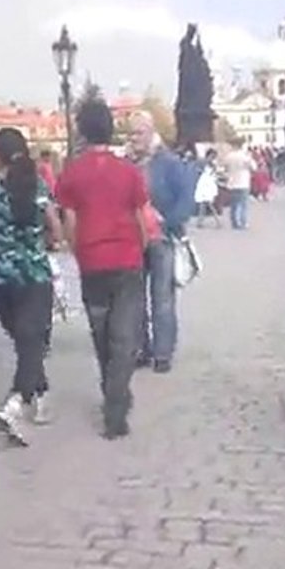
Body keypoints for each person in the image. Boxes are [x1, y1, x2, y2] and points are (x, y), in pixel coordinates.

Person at [57, 98, 149, 439]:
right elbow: (141, 216)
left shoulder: (72, 172)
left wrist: (75, 250)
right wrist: (140, 247)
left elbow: (70, 219)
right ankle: (116, 404)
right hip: (126, 260)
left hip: (92, 262)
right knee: (125, 336)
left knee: (101, 333)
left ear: (82, 130)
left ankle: (111, 390)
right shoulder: (128, 171)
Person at [0, 128, 59, 446]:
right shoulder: (38, 186)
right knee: (31, 341)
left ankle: (38, 395)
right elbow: (54, 226)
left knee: (24, 341)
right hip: (33, 276)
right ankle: (18, 402)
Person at [129, 111, 193, 373]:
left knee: (162, 296)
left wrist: (167, 222)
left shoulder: (168, 162)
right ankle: (141, 347)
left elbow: (186, 198)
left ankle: (163, 351)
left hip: (162, 238)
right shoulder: (128, 163)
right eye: (131, 133)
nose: (134, 138)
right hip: (133, 239)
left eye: (139, 132)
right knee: (134, 298)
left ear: (151, 131)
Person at [223, 139, 254, 230]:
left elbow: (225, 168)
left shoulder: (228, 156)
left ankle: (234, 222)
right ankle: (243, 222)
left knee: (233, 204)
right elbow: (253, 167)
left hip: (232, 182)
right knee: (243, 205)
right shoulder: (245, 156)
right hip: (243, 183)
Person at [194, 149, 221, 228]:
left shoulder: (210, 163)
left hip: (207, 184)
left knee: (205, 203)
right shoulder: (204, 162)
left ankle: (200, 221)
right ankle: (216, 221)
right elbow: (198, 170)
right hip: (205, 183)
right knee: (207, 203)